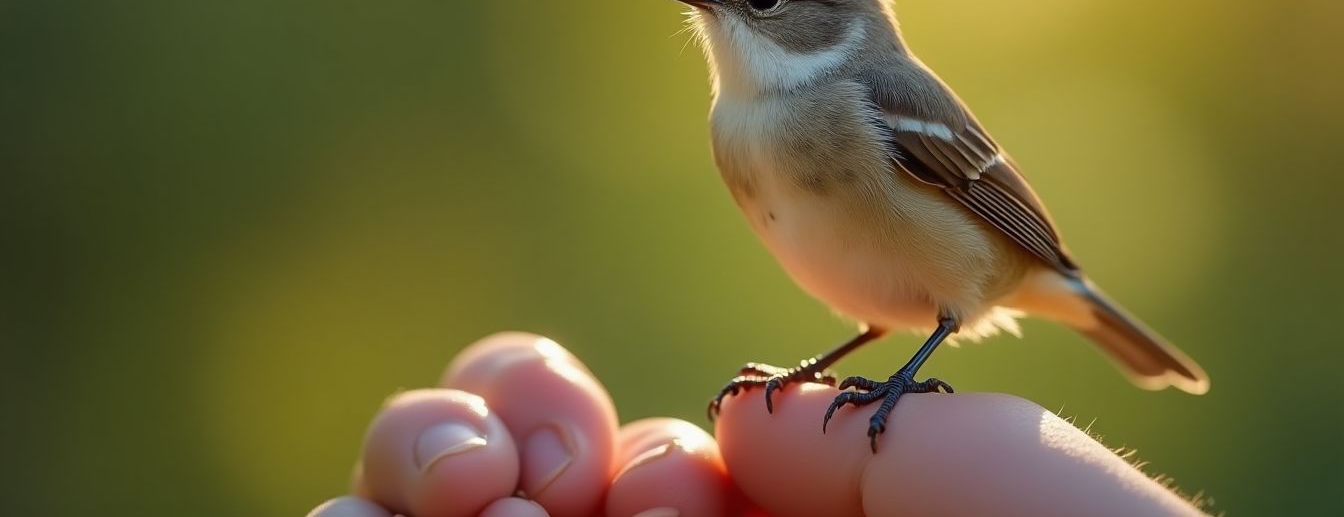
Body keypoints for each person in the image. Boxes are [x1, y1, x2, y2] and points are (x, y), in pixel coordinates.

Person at [307, 332, 1205, 517]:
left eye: (763, 0)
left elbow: (945, 287)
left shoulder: (855, 97)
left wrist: (892, 392)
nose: (715, 11)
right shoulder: (740, 126)